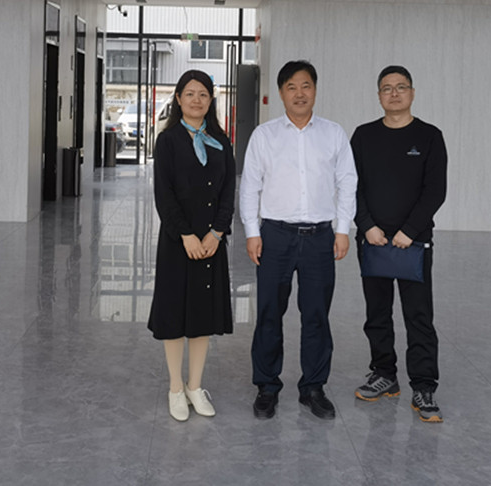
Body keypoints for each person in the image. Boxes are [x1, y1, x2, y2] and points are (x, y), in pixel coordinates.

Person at [240, 60, 357, 420]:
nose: (299, 93)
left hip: (320, 237)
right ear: (281, 93)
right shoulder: (265, 135)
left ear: (315, 90)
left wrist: (342, 229)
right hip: (275, 236)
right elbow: (250, 186)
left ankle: (313, 388)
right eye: (291, 87)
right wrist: (252, 232)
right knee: (268, 313)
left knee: (317, 315)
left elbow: (347, 181)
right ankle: (267, 386)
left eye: (306, 86)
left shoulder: (333, 134)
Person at [351, 65, 448, 423]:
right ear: (378, 95)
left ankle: (423, 386)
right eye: (386, 88)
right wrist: (366, 226)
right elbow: (352, 186)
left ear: (412, 93)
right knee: (377, 313)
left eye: (401, 87)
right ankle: (384, 374)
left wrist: (410, 230)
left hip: (414, 242)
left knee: (418, 315)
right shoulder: (363, 136)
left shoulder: (430, 137)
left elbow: (435, 190)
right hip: (373, 240)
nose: (394, 93)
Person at [148, 70, 236, 422]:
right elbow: (164, 193)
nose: (196, 100)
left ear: (211, 100)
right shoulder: (167, 141)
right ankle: (175, 387)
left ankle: (195, 386)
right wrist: (185, 234)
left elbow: (228, 191)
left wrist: (217, 232)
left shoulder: (221, 141)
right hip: (177, 241)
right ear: (178, 99)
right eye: (190, 93)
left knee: (202, 315)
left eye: (203, 94)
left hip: (212, 242)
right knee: (174, 315)